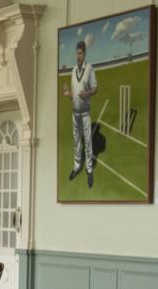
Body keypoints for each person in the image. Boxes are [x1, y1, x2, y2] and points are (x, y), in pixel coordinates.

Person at [63, 40, 97, 188]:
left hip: (85, 113)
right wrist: (68, 93)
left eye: (80, 53)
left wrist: (87, 93)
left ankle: (89, 169)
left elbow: (95, 88)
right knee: (76, 142)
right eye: (77, 53)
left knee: (87, 141)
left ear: (84, 54)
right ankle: (77, 167)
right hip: (75, 113)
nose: (78, 56)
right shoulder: (73, 71)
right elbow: (74, 94)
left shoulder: (89, 68)